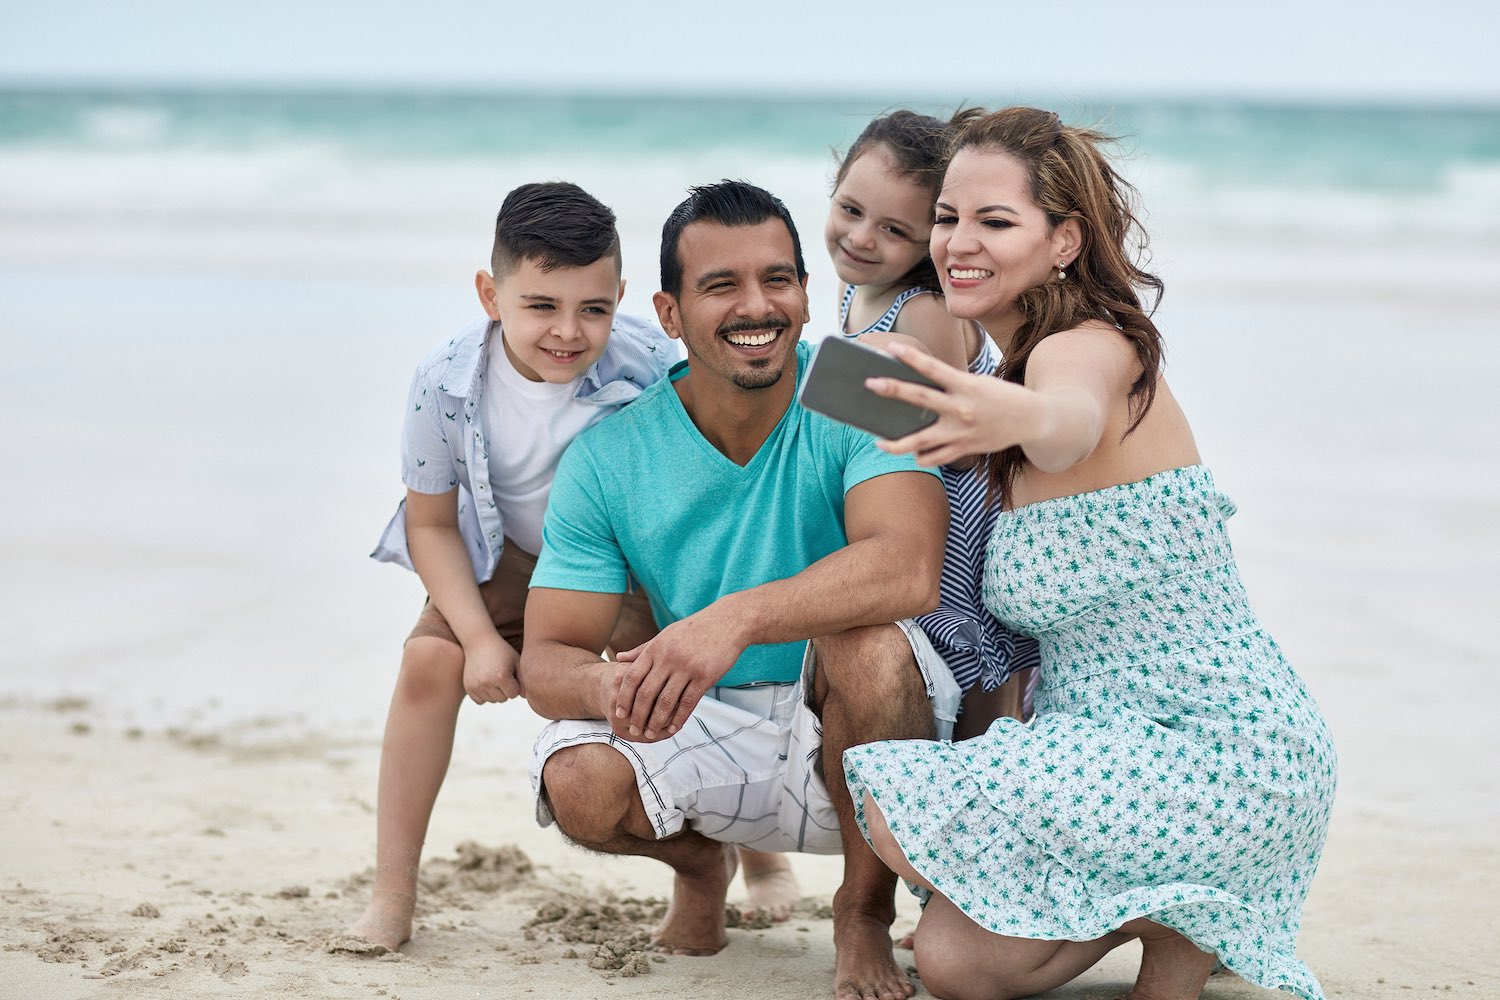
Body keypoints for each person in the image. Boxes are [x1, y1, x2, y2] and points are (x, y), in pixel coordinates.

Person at [843, 106, 1338, 1000]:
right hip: (1104, 748)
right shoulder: (998, 375)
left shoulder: (1088, 350)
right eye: (949, 218)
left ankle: (1195, 925)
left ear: (1065, 238)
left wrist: (1016, 415)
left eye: (997, 222)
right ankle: (1190, 911)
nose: (961, 241)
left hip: (1223, 750)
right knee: (954, 963)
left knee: (893, 804)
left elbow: (1066, 425)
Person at [519, 180, 959, 1000]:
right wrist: (613, 682)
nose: (758, 306)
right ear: (670, 314)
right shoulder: (613, 453)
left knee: (866, 638)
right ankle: (699, 867)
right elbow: (546, 660)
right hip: (703, 722)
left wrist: (734, 618)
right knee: (575, 781)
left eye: (779, 279)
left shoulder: (854, 384)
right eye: (721, 286)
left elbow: (908, 567)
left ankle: (861, 912)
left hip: (867, 734)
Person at [349, 181, 673, 951]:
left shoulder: (654, 362)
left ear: (620, 296)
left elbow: (763, 392)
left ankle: (752, 866)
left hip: (625, 564)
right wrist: (482, 638)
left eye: (593, 308)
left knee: (681, 670)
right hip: (507, 556)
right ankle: (391, 895)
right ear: (491, 294)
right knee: (429, 662)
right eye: (541, 306)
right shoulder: (447, 380)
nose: (569, 331)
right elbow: (430, 524)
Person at [825, 109, 1041, 736]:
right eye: (850, 209)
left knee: (975, 657)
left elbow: (959, 433)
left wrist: (843, 393)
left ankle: (984, 783)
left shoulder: (922, 309)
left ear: (931, 237)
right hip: (906, 486)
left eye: (895, 229)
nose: (863, 238)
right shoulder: (858, 287)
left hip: (960, 508)